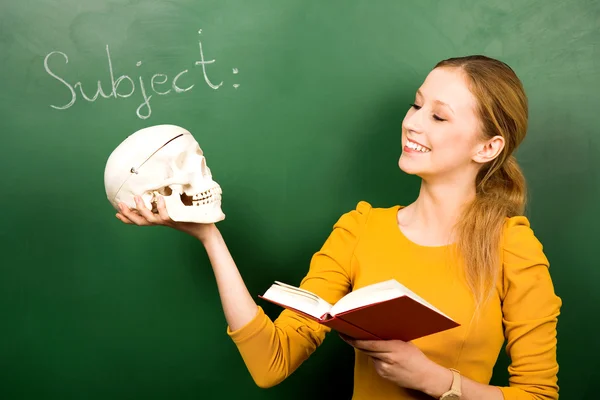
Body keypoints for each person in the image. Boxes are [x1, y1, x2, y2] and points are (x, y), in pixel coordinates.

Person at [115, 55, 561, 400]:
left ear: (488, 146)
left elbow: (538, 394)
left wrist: (435, 380)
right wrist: (208, 236)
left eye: (438, 116)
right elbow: (271, 362)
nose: (412, 122)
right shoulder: (360, 229)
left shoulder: (511, 245)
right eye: (417, 104)